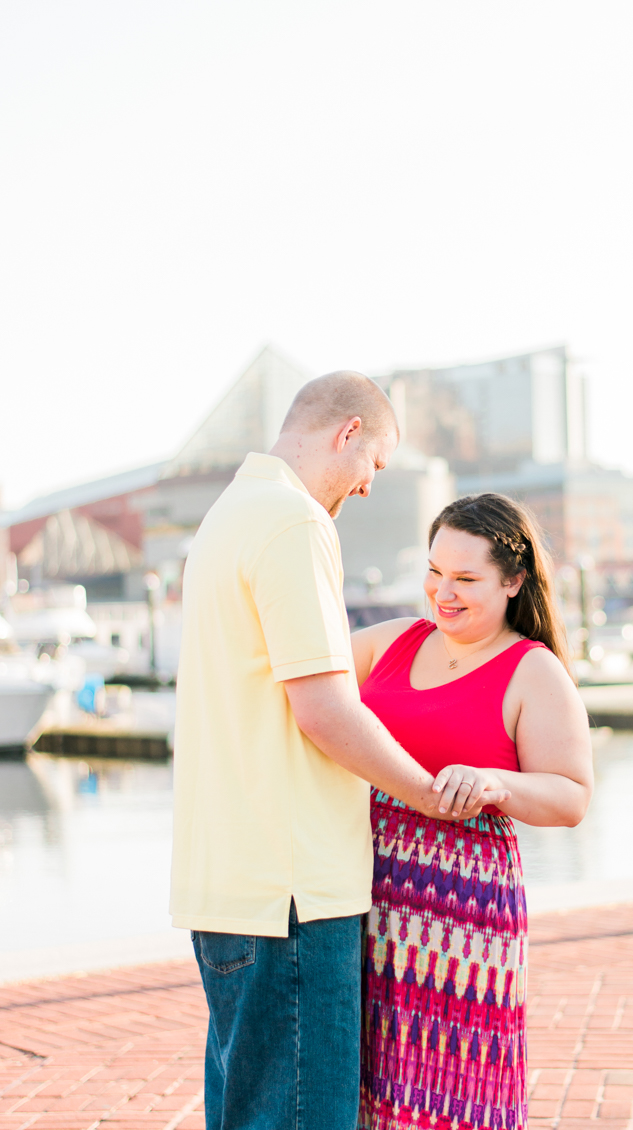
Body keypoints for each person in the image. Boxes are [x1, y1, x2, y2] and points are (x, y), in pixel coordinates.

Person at [170, 372, 508, 1130]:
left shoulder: (228, 517)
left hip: (227, 883)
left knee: (245, 1111)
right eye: (375, 465)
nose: (366, 488)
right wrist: (428, 793)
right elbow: (323, 709)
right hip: (294, 891)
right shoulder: (294, 522)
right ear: (347, 433)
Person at [352, 492, 594, 1130]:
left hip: (464, 917)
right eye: (434, 572)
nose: (443, 593)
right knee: (369, 1085)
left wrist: (494, 783)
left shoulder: (532, 671)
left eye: (465, 579)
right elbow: (302, 691)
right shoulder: (389, 644)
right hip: (361, 899)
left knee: (458, 1095)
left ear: (514, 581)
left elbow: (572, 797)